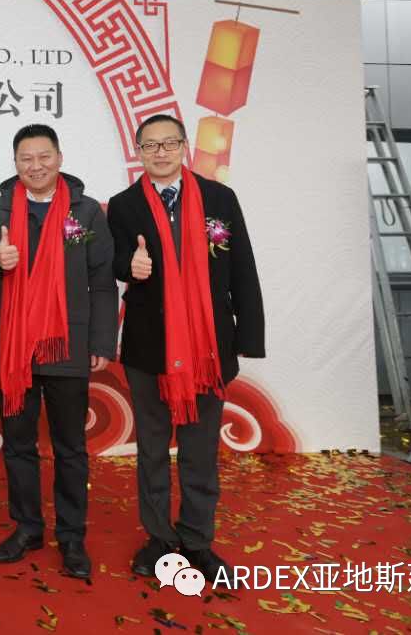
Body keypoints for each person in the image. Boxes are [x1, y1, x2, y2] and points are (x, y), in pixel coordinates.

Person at [106, 113, 264, 581]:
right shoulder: (123, 205)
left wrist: (248, 336)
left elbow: (242, 266)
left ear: (184, 148)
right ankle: (159, 538)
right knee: (152, 449)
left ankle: (197, 540)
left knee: (200, 450)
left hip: (208, 346)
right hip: (149, 347)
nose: (160, 152)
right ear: (138, 152)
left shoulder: (219, 198)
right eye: (150, 145)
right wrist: (129, 266)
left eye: (169, 143)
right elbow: (113, 262)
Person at [0, 123, 117, 580]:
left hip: (67, 344)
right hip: (14, 347)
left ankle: (71, 537)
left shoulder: (86, 212)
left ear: (59, 158)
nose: (35, 166)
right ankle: (28, 528)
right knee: (18, 444)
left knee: (71, 448)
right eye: (26, 159)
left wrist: (101, 341)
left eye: (43, 156)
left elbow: (102, 281)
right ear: (15, 163)